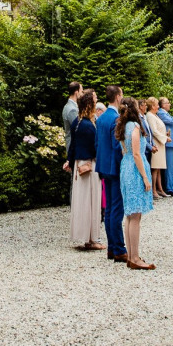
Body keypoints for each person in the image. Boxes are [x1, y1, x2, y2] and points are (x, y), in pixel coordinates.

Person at [117, 99, 156, 270]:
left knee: (130, 214)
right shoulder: (134, 126)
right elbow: (136, 154)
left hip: (125, 167)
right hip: (134, 170)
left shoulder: (122, 126)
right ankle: (134, 257)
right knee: (135, 215)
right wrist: (146, 178)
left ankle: (132, 255)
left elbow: (124, 150)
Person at [64, 90, 102, 249]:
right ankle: (91, 239)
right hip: (88, 166)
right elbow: (95, 147)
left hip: (79, 166)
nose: (97, 99)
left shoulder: (78, 123)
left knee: (82, 201)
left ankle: (86, 236)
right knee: (91, 201)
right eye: (94, 98)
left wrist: (70, 161)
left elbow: (72, 145)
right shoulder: (88, 125)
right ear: (90, 104)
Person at [94, 86, 126, 261]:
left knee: (108, 210)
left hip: (104, 167)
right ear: (118, 97)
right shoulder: (115, 119)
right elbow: (116, 147)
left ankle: (112, 248)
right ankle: (119, 248)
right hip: (114, 168)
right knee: (116, 209)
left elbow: (97, 144)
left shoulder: (101, 118)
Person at [144, 97, 170, 199]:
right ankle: (154, 191)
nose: (158, 106)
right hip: (157, 143)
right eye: (157, 105)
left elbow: (158, 129)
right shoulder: (150, 116)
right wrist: (165, 138)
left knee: (159, 168)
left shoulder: (155, 115)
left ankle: (160, 189)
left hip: (160, 143)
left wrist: (165, 134)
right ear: (152, 106)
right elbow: (154, 131)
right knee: (155, 168)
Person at [156, 98, 173, 195]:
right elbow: (172, 121)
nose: (169, 104)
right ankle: (170, 188)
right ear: (162, 105)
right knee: (170, 166)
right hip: (169, 143)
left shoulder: (165, 113)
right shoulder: (161, 113)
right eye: (167, 103)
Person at [62, 80, 84, 148]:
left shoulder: (69, 106)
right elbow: (78, 129)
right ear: (76, 92)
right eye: (81, 92)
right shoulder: (72, 109)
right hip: (74, 147)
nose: (82, 94)